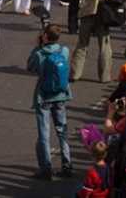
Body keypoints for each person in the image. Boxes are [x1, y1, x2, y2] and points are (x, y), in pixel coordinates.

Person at [28, 23, 73, 181]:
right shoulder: (64, 51)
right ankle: (67, 164)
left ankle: (46, 168)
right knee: (62, 131)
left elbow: (31, 67)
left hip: (44, 96)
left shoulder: (40, 53)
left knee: (44, 134)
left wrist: (38, 46)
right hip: (61, 95)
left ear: (45, 36)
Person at [69, 0, 122, 83]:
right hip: (104, 14)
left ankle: (75, 73)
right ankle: (105, 76)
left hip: (87, 12)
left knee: (82, 44)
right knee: (104, 45)